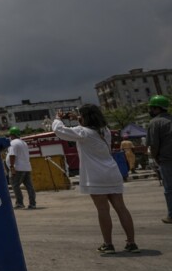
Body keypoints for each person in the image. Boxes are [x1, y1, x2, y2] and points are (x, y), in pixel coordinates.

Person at [53, 105, 139, 254]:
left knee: (103, 209)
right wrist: (78, 117)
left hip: (96, 175)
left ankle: (108, 244)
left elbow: (59, 131)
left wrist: (57, 119)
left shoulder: (83, 132)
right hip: (112, 172)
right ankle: (131, 243)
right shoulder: (105, 131)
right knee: (121, 208)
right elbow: (91, 127)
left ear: (85, 117)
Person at [145, 94, 172, 224]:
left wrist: (155, 158)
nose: (150, 111)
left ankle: (171, 215)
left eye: (151, 108)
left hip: (167, 160)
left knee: (169, 189)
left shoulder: (154, 123)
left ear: (157, 109)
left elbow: (153, 145)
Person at [6, 126, 36, 210]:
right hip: (26, 167)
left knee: (15, 185)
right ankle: (32, 203)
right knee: (29, 186)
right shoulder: (23, 143)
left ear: (12, 135)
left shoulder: (13, 143)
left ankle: (19, 203)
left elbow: (12, 155)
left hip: (18, 168)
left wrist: (12, 166)